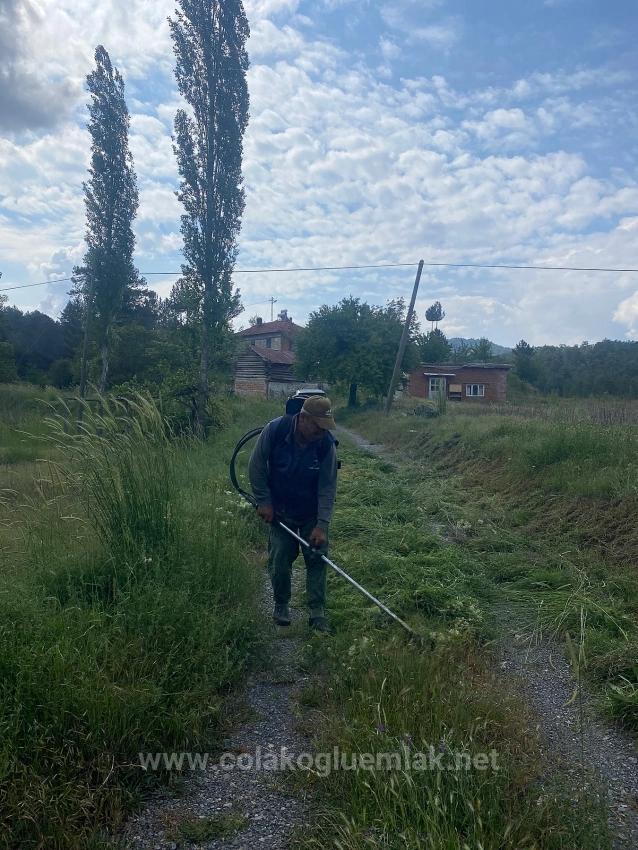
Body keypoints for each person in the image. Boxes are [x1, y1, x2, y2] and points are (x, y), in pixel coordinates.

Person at [248, 395, 338, 633]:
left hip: (311, 511)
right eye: (319, 427)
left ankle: (317, 612)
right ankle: (281, 605)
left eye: (325, 428)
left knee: (317, 558)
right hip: (281, 510)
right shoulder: (275, 430)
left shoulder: (326, 444)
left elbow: (328, 487)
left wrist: (322, 524)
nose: (322, 433)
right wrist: (264, 501)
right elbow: (256, 466)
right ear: (304, 419)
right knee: (279, 559)